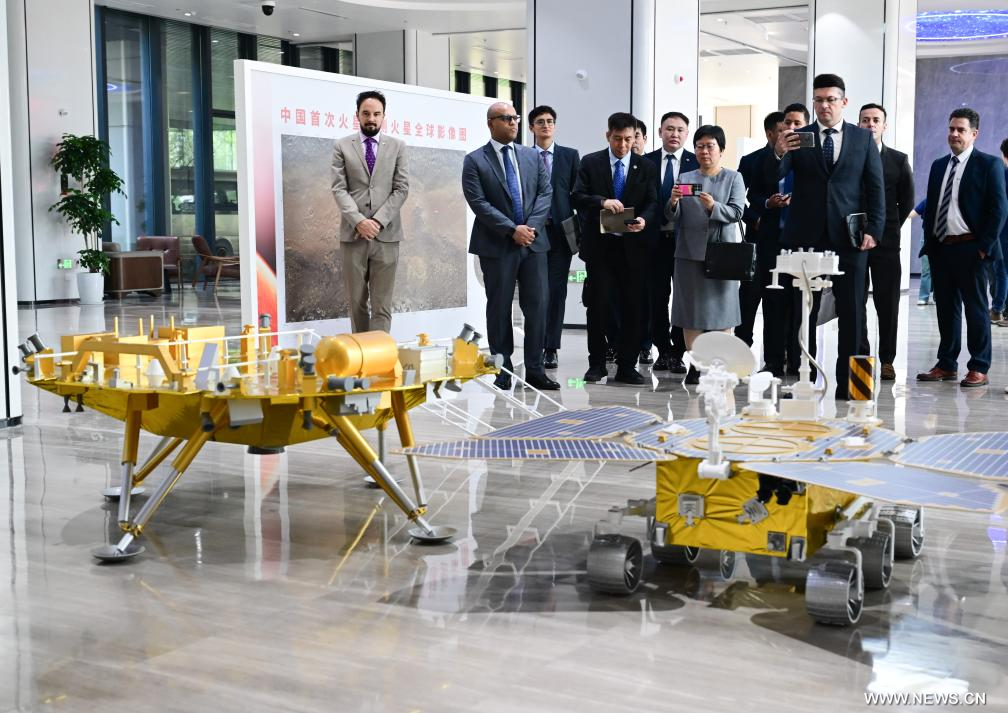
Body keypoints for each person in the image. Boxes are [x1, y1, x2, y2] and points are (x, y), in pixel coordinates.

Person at [774, 74, 884, 400]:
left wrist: (874, 230)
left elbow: (875, 188)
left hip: (850, 237)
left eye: (831, 100)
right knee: (802, 312)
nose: (824, 105)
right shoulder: (800, 137)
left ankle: (851, 385)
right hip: (805, 237)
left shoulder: (862, 139)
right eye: (819, 100)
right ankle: (803, 379)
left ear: (844, 102)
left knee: (853, 312)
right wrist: (779, 152)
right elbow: (775, 175)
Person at [462, 101, 558, 391]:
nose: (513, 122)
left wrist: (530, 229)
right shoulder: (475, 160)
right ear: (491, 123)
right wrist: (511, 230)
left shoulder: (532, 156)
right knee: (499, 308)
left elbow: (545, 193)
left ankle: (536, 370)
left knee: (538, 307)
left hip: (533, 243)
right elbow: (478, 203)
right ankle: (502, 370)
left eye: (515, 117)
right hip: (497, 245)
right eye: (506, 118)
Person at [916, 108, 1008, 388]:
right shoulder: (938, 165)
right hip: (942, 248)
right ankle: (946, 364)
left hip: (972, 249)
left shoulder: (989, 164)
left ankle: (979, 366)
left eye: (961, 130)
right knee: (946, 309)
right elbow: (933, 207)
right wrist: (930, 243)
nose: (954, 134)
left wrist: (984, 247)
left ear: (974, 134)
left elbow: (999, 209)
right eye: (951, 129)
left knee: (976, 310)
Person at [572, 112, 658, 385]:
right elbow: (577, 196)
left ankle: (627, 366)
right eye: (617, 139)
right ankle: (596, 364)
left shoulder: (646, 166)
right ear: (608, 135)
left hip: (634, 248)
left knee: (634, 307)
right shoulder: (591, 162)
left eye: (628, 139)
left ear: (636, 138)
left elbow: (654, 201)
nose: (623, 145)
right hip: (600, 249)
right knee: (598, 306)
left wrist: (644, 219)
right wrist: (601, 202)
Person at [666, 124, 746, 385]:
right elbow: (672, 217)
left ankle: (719, 366)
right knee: (690, 314)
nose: (704, 151)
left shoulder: (733, 178)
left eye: (710, 146)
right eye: (699, 146)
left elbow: (737, 212)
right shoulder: (685, 177)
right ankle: (697, 365)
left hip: (722, 256)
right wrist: (673, 202)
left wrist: (714, 207)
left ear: (721, 150)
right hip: (688, 254)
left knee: (722, 313)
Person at [331, 89, 409, 334]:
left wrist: (377, 221)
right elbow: (339, 188)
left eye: (376, 114)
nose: (371, 119)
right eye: (366, 113)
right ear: (357, 115)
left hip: (387, 236)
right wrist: (358, 221)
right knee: (356, 304)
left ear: (384, 116)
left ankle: (379, 353)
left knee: (382, 306)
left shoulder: (398, 147)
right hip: (353, 236)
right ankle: (361, 352)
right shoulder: (342, 146)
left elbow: (402, 188)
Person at [857, 103, 915, 382]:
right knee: (855, 302)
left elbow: (907, 201)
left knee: (888, 303)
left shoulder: (898, 160)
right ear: (858, 125)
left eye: (875, 120)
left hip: (887, 243)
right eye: (865, 120)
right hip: (854, 241)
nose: (870, 124)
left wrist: (886, 228)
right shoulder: (850, 157)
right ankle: (861, 355)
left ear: (884, 125)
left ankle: (887, 360)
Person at [642, 111, 698, 373]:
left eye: (679, 130)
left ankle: (678, 350)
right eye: (669, 129)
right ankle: (662, 349)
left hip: (684, 240)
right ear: (660, 132)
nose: (674, 134)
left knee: (684, 297)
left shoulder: (695, 162)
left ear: (686, 134)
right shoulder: (646, 162)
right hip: (654, 241)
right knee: (656, 297)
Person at [527, 105, 581, 370]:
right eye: (540, 122)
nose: (546, 125)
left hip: (560, 234)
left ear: (555, 126)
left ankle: (551, 348)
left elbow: (578, 194)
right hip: (533, 233)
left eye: (550, 121)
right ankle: (534, 344)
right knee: (536, 292)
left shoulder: (570, 156)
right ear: (531, 128)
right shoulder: (523, 155)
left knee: (557, 291)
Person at [735, 111, 785, 352]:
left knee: (778, 302)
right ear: (769, 134)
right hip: (757, 239)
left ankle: (775, 355)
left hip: (787, 242)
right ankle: (741, 347)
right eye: (782, 131)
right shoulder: (750, 161)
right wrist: (755, 218)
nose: (788, 134)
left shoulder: (801, 160)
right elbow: (736, 199)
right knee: (749, 297)